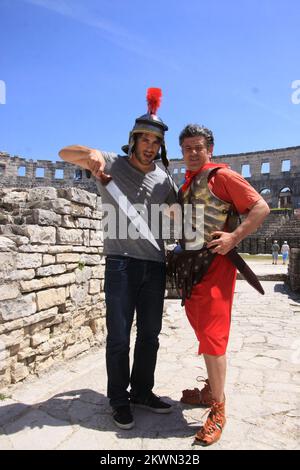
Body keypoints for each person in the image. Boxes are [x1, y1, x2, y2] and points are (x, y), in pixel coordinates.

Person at [58, 89, 177, 430]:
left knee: (150, 335)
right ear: (134, 140)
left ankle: (141, 392)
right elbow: (64, 152)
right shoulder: (111, 162)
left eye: (156, 141)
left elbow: (179, 216)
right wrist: (90, 154)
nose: (150, 146)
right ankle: (119, 399)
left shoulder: (164, 177)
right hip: (121, 264)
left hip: (155, 265)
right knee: (119, 337)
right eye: (145, 139)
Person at [174, 124, 269, 446]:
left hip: (216, 267)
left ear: (210, 149)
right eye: (187, 148)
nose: (193, 153)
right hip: (192, 268)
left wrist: (234, 237)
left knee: (213, 338)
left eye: (198, 147)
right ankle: (210, 391)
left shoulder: (222, 177)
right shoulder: (186, 185)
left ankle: (218, 408)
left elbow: (260, 207)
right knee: (203, 332)